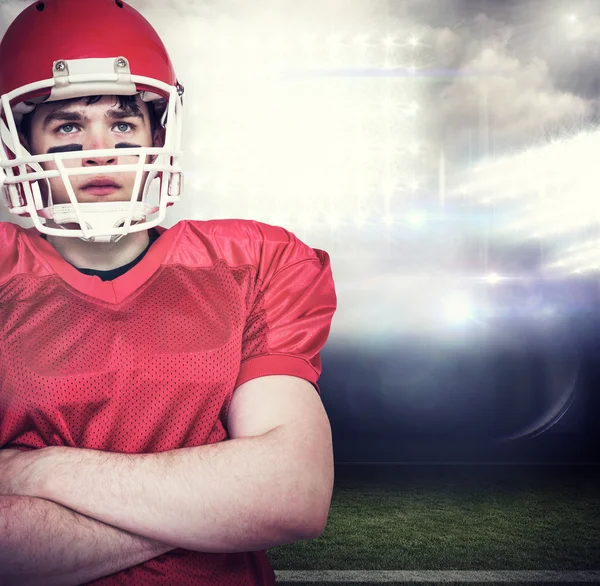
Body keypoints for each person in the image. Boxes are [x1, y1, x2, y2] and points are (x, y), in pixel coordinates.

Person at [0, 1, 337, 585]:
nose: (100, 148)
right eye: (69, 125)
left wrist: (36, 473)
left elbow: (291, 493)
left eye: (123, 123)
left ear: (158, 131)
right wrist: (217, 505)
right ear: (21, 143)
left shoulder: (255, 263)